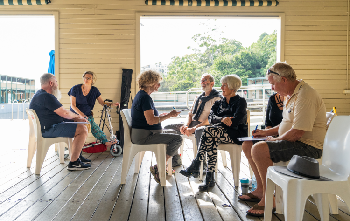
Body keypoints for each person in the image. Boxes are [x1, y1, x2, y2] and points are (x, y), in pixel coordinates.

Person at [239, 62, 327, 217]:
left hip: (308, 147)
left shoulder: (305, 95)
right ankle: (260, 190)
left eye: (272, 84)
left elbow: (297, 133)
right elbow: (286, 124)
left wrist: (275, 140)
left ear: (284, 80)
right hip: (294, 141)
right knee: (248, 144)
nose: (271, 88)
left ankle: (269, 198)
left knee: (259, 149)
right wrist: (266, 132)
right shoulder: (291, 94)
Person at [180, 75, 248, 191]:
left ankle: (197, 164)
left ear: (232, 87)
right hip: (217, 132)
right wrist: (223, 119)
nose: (221, 87)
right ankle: (209, 179)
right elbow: (211, 118)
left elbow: (238, 120)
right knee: (210, 138)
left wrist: (227, 120)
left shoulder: (240, 101)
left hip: (235, 134)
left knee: (208, 131)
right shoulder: (219, 102)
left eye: (224, 85)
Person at [29, 73, 90, 170]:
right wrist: (79, 117)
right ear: (51, 83)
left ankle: (76, 155)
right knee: (82, 129)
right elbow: (65, 113)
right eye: (56, 82)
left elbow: (61, 113)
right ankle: (74, 163)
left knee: (79, 124)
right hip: (49, 129)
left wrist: (76, 118)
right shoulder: (47, 97)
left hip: (47, 127)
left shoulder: (39, 94)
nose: (57, 85)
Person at [131, 70, 183, 183]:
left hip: (146, 133)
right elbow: (150, 121)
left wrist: (160, 116)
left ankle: (164, 165)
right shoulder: (145, 98)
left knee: (175, 133)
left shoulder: (142, 95)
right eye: (157, 83)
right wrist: (169, 115)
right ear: (150, 83)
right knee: (178, 138)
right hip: (144, 137)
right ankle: (160, 167)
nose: (159, 85)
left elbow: (147, 118)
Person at [164, 74, 222, 145]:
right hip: (192, 124)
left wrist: (193, 129)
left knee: (199, 131)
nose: (202, 83)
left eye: (205, 80)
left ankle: (199, 155)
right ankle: (172, 154)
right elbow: (190, 114)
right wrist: (186, 125)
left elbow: (211, 119)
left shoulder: (217, 98)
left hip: (205, 126)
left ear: (212, 83)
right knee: (168, 128)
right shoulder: (198, 97)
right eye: (201, 81)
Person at [68, 71, 119, 149]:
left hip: (87, 115)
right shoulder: (75, 88)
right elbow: (73, 105)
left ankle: (105, 141)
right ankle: (104, 142)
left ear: (92, 80)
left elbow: (102, 102)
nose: (86, 79)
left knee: (94, 127)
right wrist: (81, 115)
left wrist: (112, 104)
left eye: (89, 78)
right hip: (75, 115)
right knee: (87, 128)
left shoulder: (94, 90)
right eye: (85, 77)